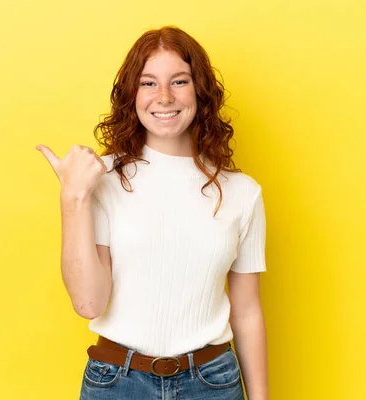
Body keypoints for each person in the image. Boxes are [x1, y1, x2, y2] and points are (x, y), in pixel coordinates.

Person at [36, 26, 268, 400]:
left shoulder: (243, 193)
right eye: (148, 83)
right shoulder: (102, 179)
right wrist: (73, 197)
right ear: (132, 94)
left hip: (213, 384)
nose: (164, 97)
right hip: (117, 382)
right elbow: (88, 303)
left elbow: (248, 312)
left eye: (179, 81)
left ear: (200, 92)